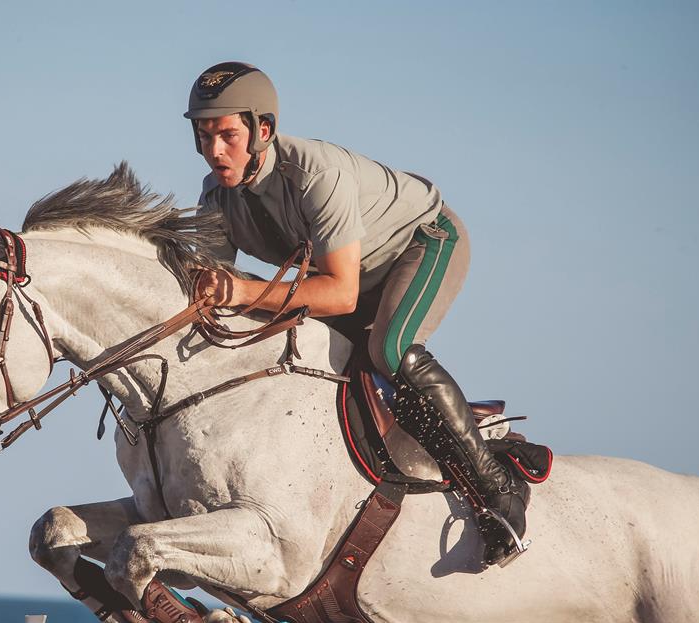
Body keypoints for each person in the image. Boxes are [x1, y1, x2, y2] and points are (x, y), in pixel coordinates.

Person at [184, 62, 532, 567]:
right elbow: (215, 297)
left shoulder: (314, 173)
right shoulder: (215, 198)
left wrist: (240, 290)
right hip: (351, 276)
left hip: (422, 244)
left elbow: (340, 294)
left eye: (228, 135)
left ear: (263, 130)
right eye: (204, 136)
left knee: (389, 350)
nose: (215, 151)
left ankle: (499, 492)